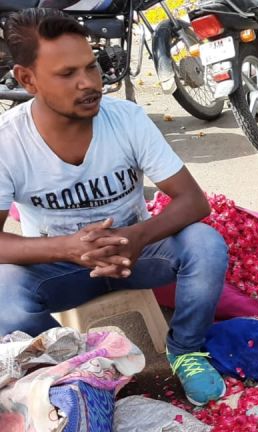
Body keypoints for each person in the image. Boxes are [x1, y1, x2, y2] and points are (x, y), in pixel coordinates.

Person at [0, 9, 228, 406]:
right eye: (67, 74)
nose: (89, 83)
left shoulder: (127, 120)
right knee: (5, 297)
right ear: (26, 79)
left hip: (137, 255)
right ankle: (79, 369)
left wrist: (136, 236)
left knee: (205, 245)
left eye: (91, 66)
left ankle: (186, 350)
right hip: (64, 269)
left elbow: (193, 201)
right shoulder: (8, 142)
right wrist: (68, 248)